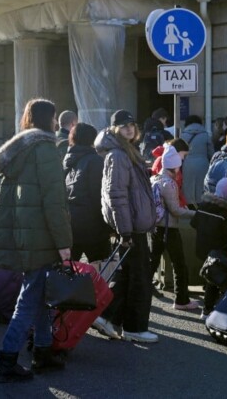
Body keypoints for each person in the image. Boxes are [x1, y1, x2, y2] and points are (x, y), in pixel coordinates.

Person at [0, 98, 72, 383]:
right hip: (41, 237)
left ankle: (43, 350)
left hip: (23, 235)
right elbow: (54, 200)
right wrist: (64, 244)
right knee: (29, 298)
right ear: (49, 120)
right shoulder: (46, 148)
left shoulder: (17, 151)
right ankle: (7, 359)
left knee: (38, 296)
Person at [93, 109, 158, 343]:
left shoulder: (126, 151)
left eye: (131, 124)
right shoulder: (119, 155)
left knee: (128, 276)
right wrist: (125, 230)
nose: (129, 128)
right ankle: (134, 327)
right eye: (123, 126)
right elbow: (116, 194)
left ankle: (108, 317)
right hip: (131, 227)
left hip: (133, 225)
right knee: (139, 279)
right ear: (114, 129)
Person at [149, 145, 197, 310]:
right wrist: (193, 214)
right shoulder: (169, 184)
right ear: (175, 166)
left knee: (152, 261)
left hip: (156, 226)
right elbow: (175, 210)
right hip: (169, 228)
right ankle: (182, 300)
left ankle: (141, 292)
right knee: (179, 265)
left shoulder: (155, 179)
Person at [191, 177, 227, 319]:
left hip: (201, 248)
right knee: (213, 280)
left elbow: (194, 223)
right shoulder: (226, 213)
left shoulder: (204, 205)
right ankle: (207, 310)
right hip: (217, 251)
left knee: (209, 278)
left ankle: (209, 305)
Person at [63, 123, 111, 262]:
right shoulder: (95, 160)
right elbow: (98, 195)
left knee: (70, 270)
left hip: (71, 224)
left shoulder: (67, 160)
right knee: (100, 270)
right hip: (93, 225)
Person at [181, 114, 213, 206]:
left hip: (188, 164)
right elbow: (211, 153)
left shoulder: (183, 135)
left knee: (188, 187)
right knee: (202, 187)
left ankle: (190, 208)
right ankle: (201, 207)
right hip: (203, 163)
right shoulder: (205, 135)